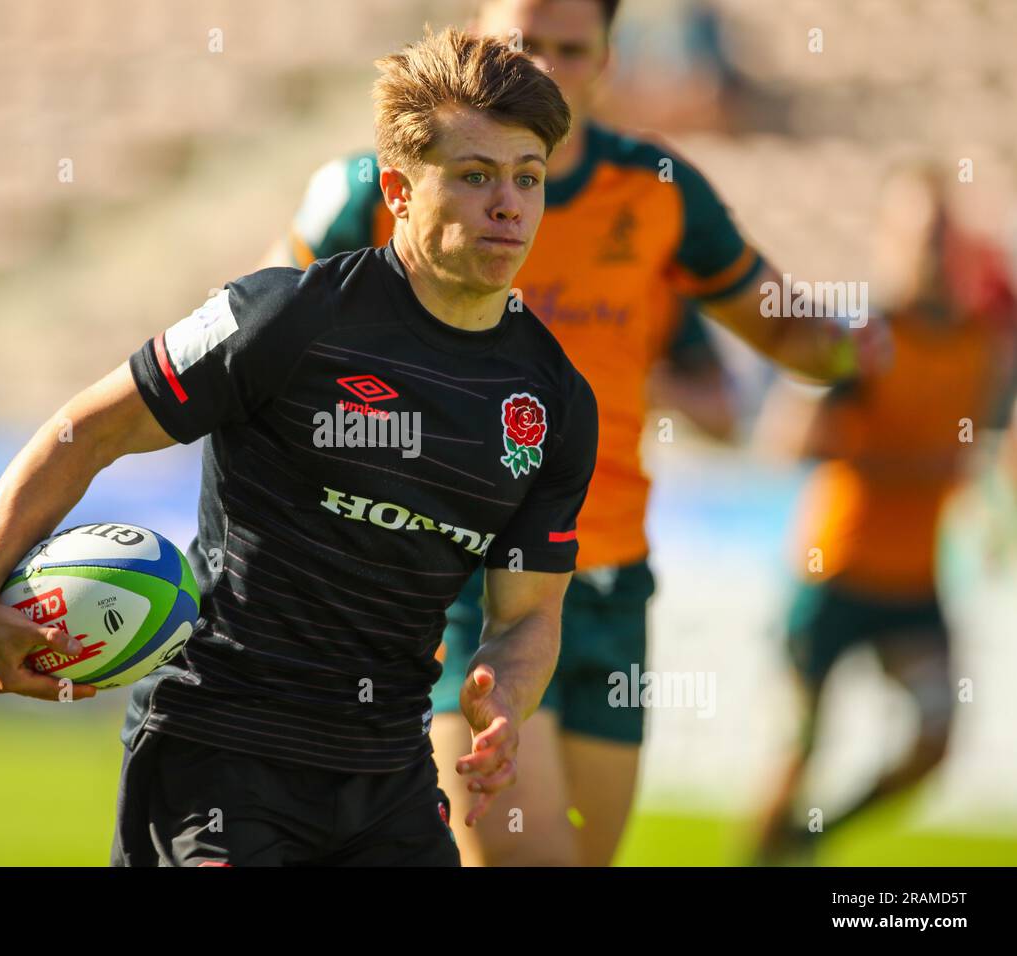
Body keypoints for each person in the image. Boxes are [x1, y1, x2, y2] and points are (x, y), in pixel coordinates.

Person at [0, 27, 601, 867]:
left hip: (388, 779)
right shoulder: (283, 318)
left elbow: (527, 616)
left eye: (528, 178)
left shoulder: (554, 401)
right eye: (475, 177)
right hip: (218, 755)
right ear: (399, 192)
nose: (508, 204)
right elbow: (88, 430)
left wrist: (506, 698)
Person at [260, 0, 880, 866]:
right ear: (478, 44)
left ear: (608, 60)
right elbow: (265, 345)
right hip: (460, 575)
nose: (545, 67)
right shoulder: (380, 189)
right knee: (526, 858)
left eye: (570, 48)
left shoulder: (658, 189)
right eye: (523, 45)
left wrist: (856, 346)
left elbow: (783, 329)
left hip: (610, 574)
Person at [752, 165, 1016, 863]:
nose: (931, 250)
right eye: (919, 234)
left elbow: (998, 441)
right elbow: (784, 445)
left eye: (943, 235)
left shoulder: (982, 345)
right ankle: (761, 854)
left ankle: (816, 838)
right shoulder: (861, 337)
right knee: (798, 748)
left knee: (936, 740)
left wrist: (996, 512)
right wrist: (902, 461)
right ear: (888, 241)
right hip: (833, 571)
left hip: (915, 582)